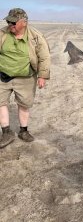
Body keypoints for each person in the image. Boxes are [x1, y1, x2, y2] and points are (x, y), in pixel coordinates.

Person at [0, 8, 50, 148]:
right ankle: (6, 132)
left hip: (26, 77)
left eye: (14, 23)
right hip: (3, 76)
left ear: (24, 22)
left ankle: (23, 131)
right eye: (9, 21)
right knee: (0, 103)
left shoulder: (35, 36)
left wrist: (42, 76)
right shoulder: (2, 33)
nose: (11, 25)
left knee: (24, 104)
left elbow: (44, 56)